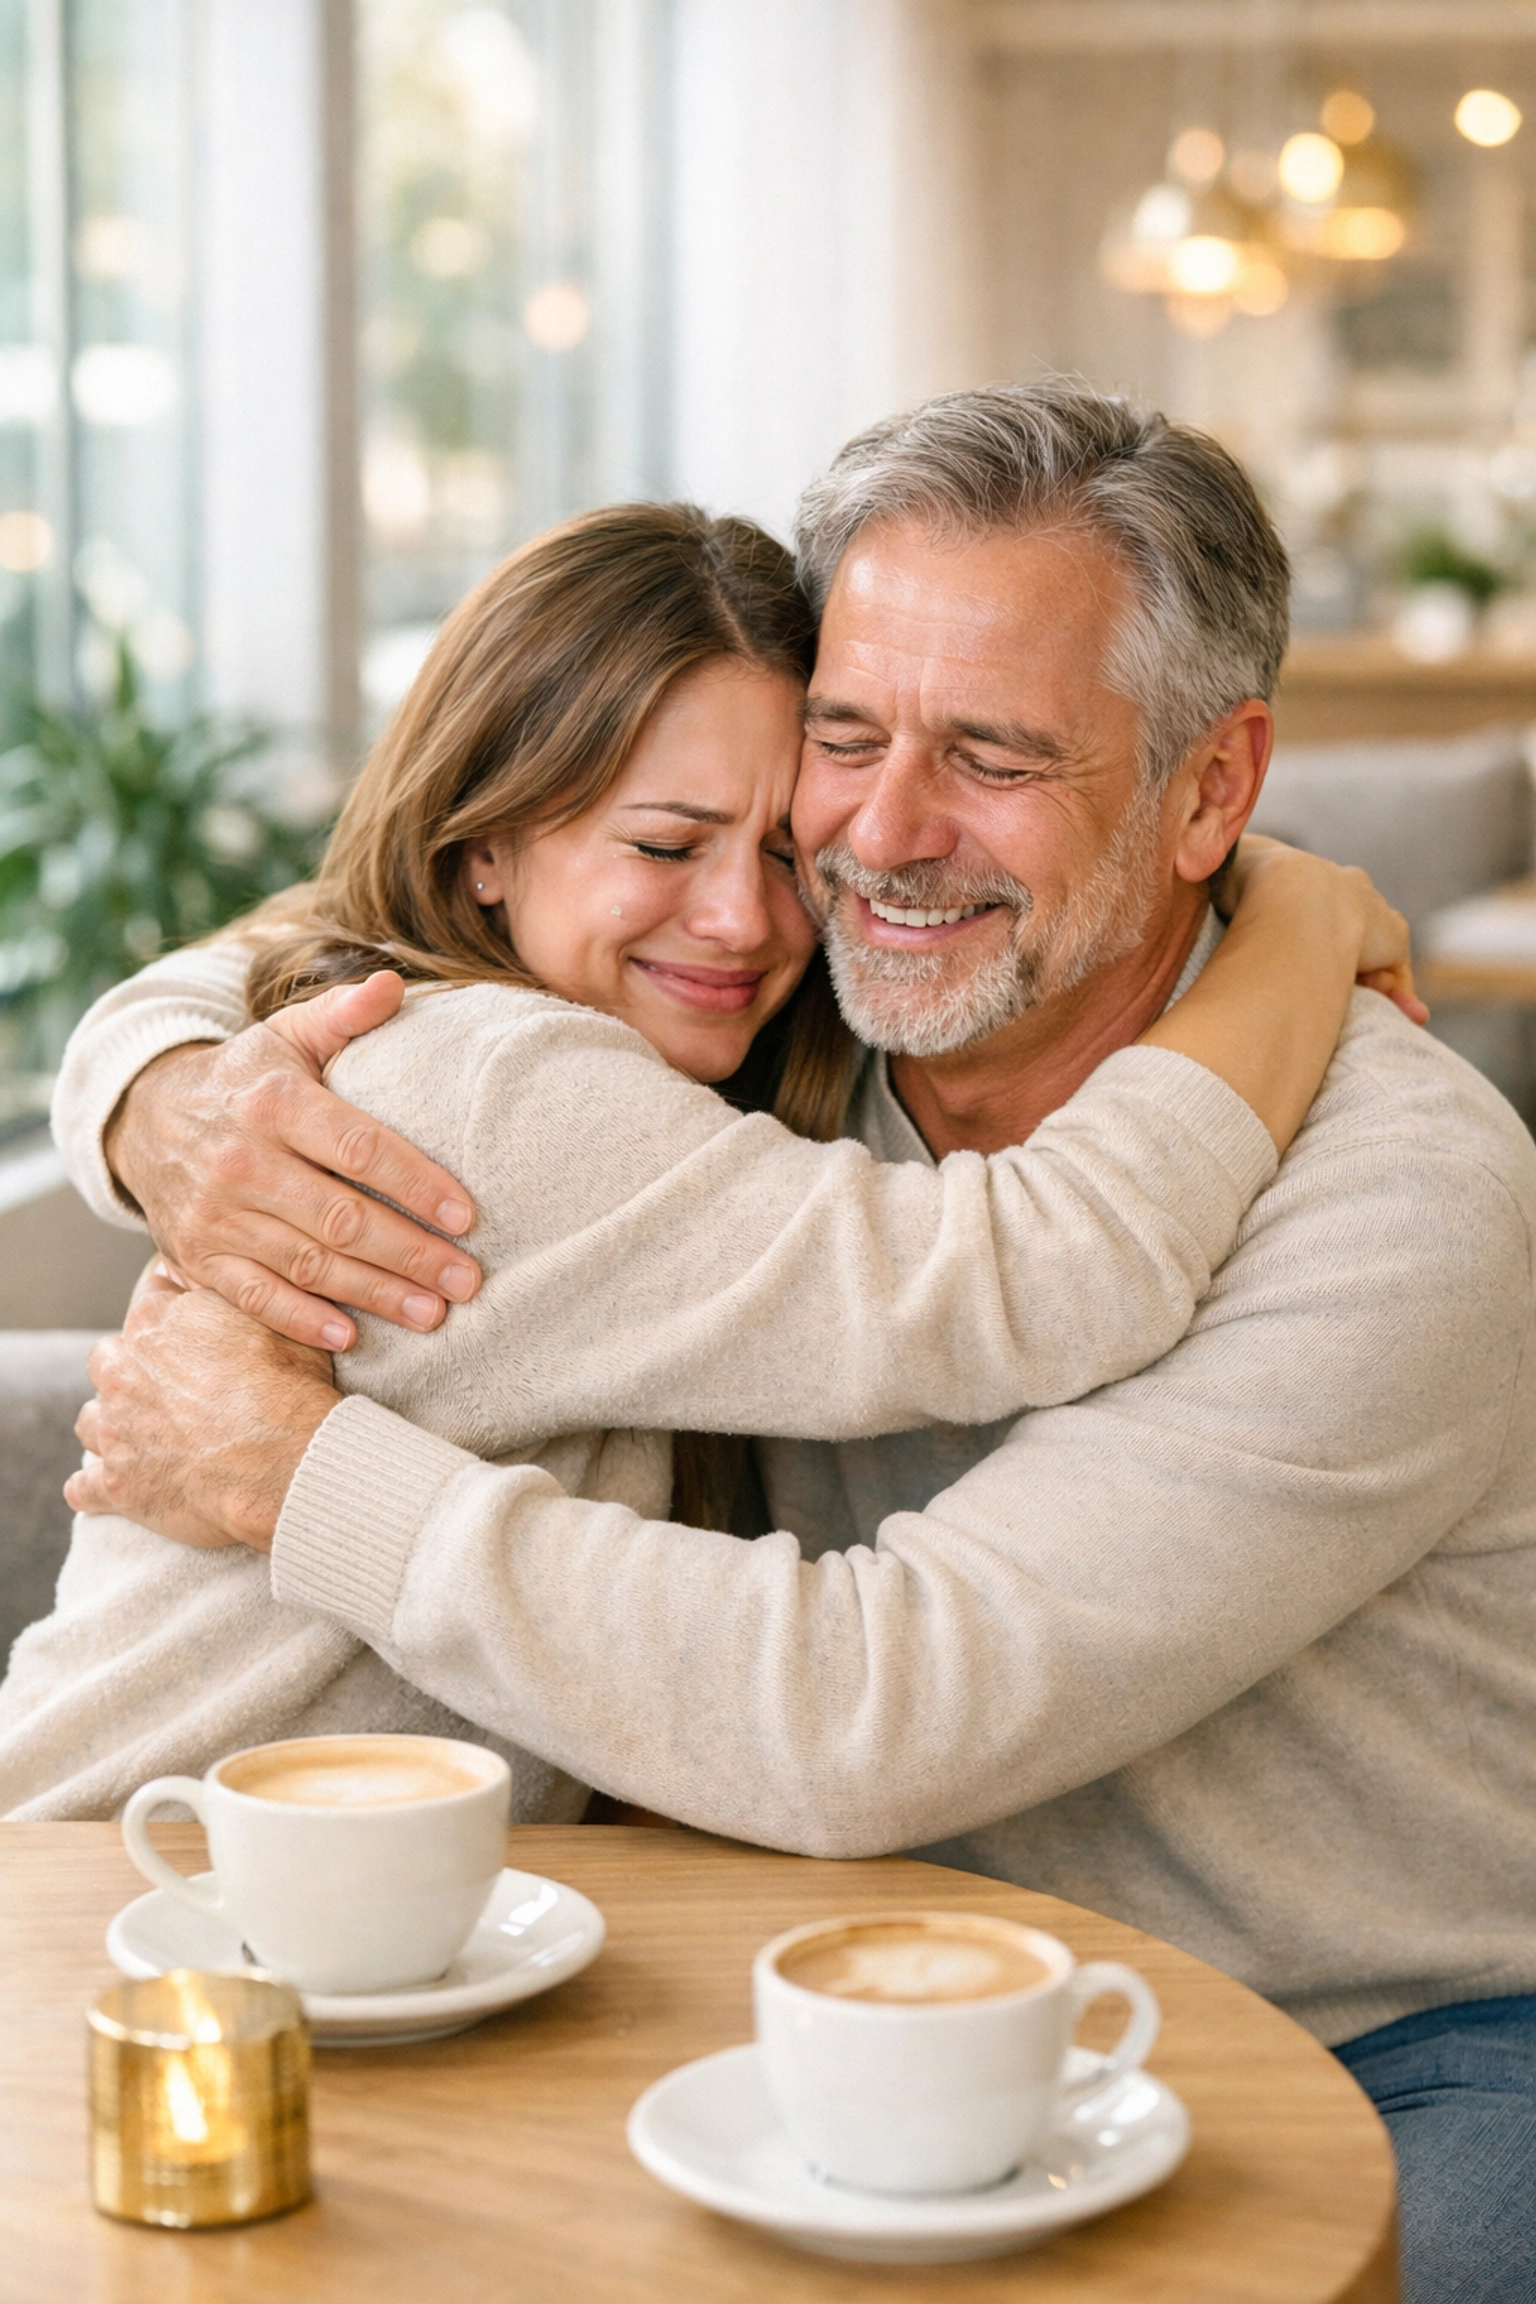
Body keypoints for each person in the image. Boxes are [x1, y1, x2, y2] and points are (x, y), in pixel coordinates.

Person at [55, 386, 1536, 2304]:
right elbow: (370, 958)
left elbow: (877, 1703)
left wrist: (300, 1476)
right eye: (847, 734)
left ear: (1208, 790)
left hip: (1365, 2039)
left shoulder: (1398, 1194)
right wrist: (161, 1090)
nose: (872, 839)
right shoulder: (769, 1043)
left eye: (994, 753)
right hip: (804, 2005)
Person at [0, 497, 1395, 1821]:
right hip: (110, 1891)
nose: (740, 920)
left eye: (790, 853)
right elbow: (1043, 1274)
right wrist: (1289, 922)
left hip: (317, 1908)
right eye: (665, 843)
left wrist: (146, 1070)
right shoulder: (499, 1085)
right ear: (483, 845)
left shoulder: (680, 1054)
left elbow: (279, 942)